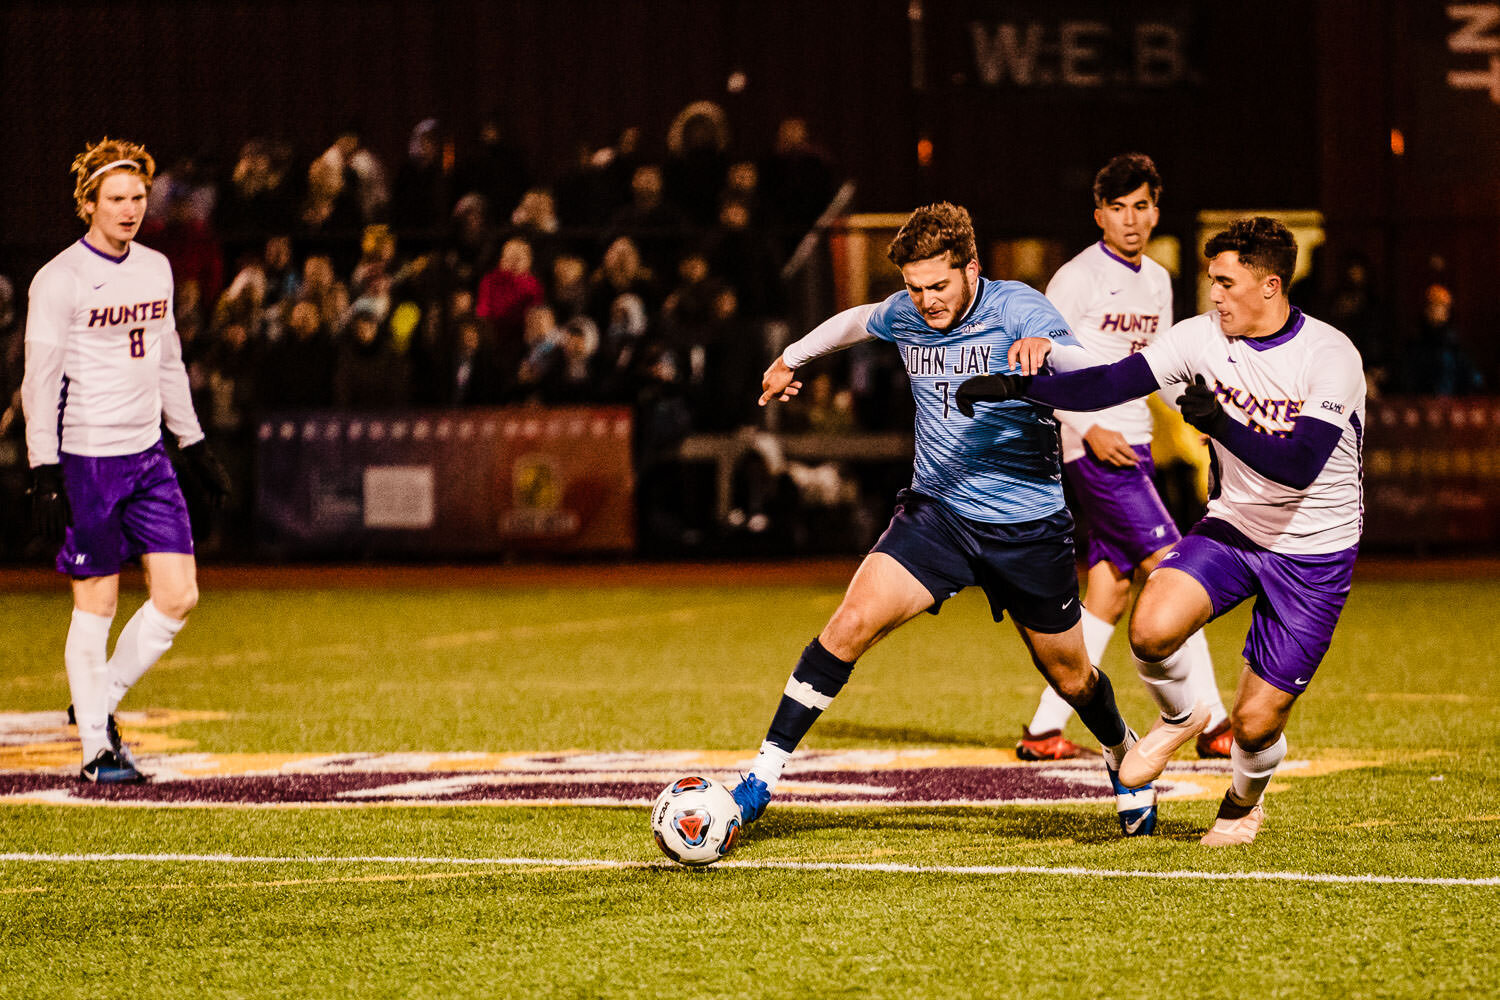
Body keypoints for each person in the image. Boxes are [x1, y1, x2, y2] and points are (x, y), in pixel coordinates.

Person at [731, 202, 1158, 838]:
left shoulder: (1020, 309)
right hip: (939, 515)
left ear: (971, 269)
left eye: (939, 285)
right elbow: (856, 321)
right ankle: (759, 780)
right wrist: (792, 357)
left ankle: (1122, 754)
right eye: (915, 287)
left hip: (1027, 526)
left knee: (1070, 676)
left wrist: (1049, 352)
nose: (926, 301)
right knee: (848, 625)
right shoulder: (906, 311)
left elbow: (1089, 372)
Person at [956, 217, 1364, 845]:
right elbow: (1109, 382)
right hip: (1234, 527)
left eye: (1226, 284)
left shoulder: (1330, 355)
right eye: (1211, 283)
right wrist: (1020, 388)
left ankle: (1242, 802)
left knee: (1257, 725)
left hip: (1313, 551)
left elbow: (1300, 465)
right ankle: (1182, 716)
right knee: (1149, 629)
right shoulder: (1203, 337)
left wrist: (1221, 425)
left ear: (1270, 286)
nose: (1215, 297)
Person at [21, 138, 231, 784]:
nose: (130, 209)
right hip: (89, 459)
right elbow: (38, 378)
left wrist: (191, 442)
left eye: (139, 196)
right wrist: (42, 466)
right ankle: (95, 750)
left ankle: (96, 703)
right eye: (116, 198)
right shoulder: (59, 279)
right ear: (88, 203)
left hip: (148, 458)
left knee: (179, 595)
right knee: (98, 605)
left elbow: (167, 359)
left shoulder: (157, 269)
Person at [1019, 154, 1230, 762]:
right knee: (1176, 573)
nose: (1131, 219)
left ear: (1156, 212)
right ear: (1099, 216)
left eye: (1141, 206)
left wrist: (1204, 421)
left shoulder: (1159, 280)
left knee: (1108, 591)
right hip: (1094, 447)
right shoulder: (1077, 277)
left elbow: (1160, 372)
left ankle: (1042, 730)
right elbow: (1044, 364)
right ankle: (1212, 721)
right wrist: (1084, 428)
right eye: (1118, 208)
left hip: (1135, 443)